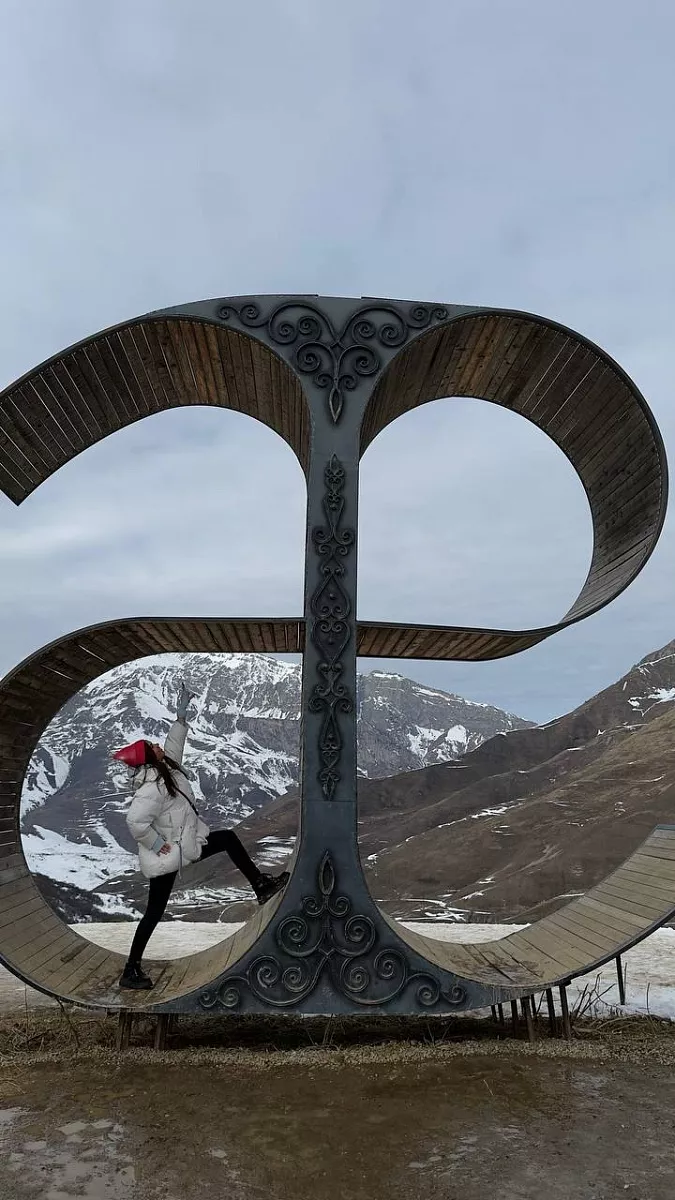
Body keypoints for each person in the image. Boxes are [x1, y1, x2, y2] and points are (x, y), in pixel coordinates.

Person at [112, 681, 289, 990]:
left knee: (228, 839)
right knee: (153, 913)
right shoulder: (152, 787)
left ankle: (260, 885)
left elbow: (173, 746)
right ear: (149, 758)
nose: (158, 745)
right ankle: (131, 970)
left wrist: (181, 718)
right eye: (152, 746)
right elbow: (135, 822)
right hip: (166, 857)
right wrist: (158, 844)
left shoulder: (166, 769)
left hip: (184, 846)